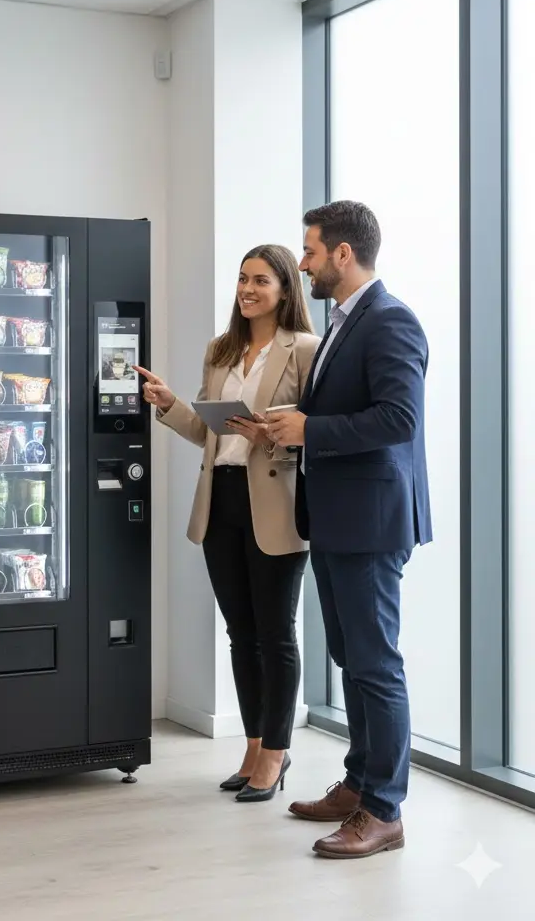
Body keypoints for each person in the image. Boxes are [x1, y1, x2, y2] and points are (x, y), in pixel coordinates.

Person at [266, 201, 431, 860]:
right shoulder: (344, 321)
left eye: (308, 250)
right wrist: (288, 424)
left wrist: (312, 430)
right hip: (337, 518)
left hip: (370, 522)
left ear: (342, 254)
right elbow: (342, 408)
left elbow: (399, 420)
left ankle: (384, 811)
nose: (301, 262)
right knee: (351, 660)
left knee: (375, 664)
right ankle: (358, 784)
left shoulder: (392, 321)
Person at [136, 245, 320, 803]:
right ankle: (253, 744)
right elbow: (209, 433)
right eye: (242, 279)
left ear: (285, 289)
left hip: (277, 506)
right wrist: (169, 404)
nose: (247, 289)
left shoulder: (306, 352)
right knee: (242, 636)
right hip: (221, 502)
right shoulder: (221, 352)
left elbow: (315, 433)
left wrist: (275, 435)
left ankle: (277, 754)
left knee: (276, 633)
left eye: (260, 280)